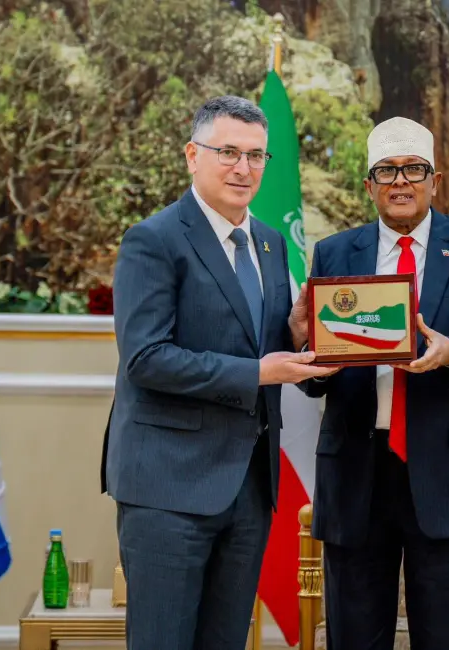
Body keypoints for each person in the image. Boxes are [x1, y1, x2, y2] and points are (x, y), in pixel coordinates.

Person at [99, 95, 335, 650]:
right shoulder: (153, 240)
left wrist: (297, 337)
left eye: (256, 156)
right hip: (167, 487)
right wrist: (257, 372)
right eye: (228, 152)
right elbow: (146, 359)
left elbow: (263, 351)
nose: (243, 168)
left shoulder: (271, 243)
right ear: (192, 155)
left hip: (249, 488)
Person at [300, 116, 449, 650]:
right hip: (356, 471)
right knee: (354, 637)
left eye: (413, 169)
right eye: (386, 171)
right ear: (369, 186)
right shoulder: (333, 253)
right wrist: (313, 356)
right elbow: (313, 374)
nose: (400, 181)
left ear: (435, 181)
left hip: (447, 474)